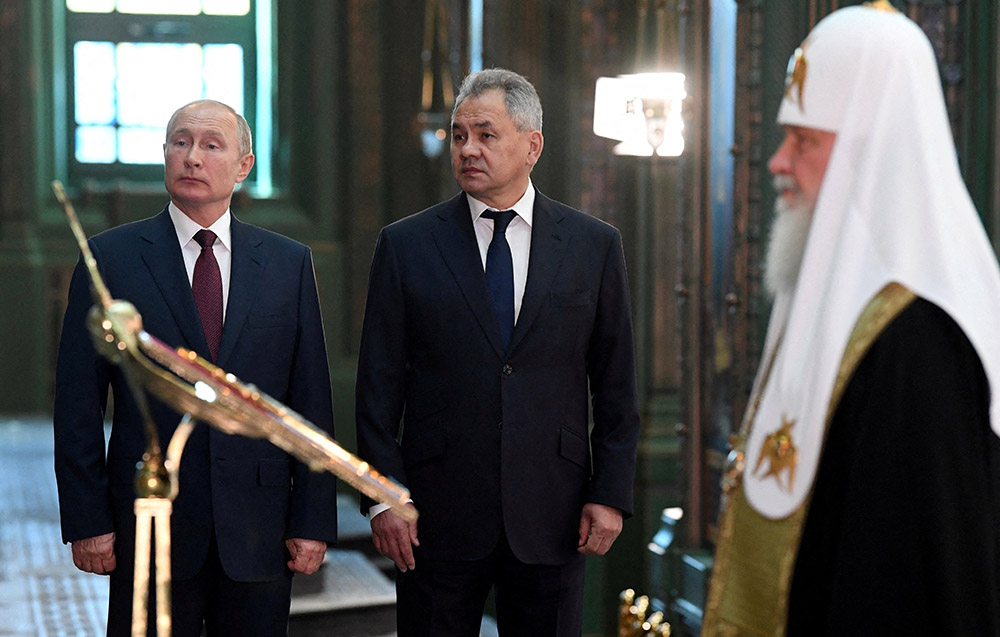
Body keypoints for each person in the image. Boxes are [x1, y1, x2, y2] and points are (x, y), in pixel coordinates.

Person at [703, 4, 1000, 635]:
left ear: (873, 151)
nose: (778, 162)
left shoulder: (923, 344)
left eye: (803, 140)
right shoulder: (824, 304)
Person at [355, 68, 640, 636]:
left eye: (486, 135)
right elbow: (377, 386)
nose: (468, 150)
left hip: (553, 511)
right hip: (434, 515)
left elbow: (616, 384)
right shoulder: (406, 244)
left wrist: (610, 494)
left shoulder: (593, 245)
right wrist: (382, 498)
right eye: (459, 136)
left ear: (532, 145)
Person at [53, 99, 338, 636]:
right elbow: (77, 404)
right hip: (150, 522)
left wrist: (313, 520)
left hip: (258, 524)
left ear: (243, 165)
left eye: (211, 145)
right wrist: (87, 521)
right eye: (180, 143)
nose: (192, 157)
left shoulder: (288, 264)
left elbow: (310, 401)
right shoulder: (110, 258)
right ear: (164, 154)